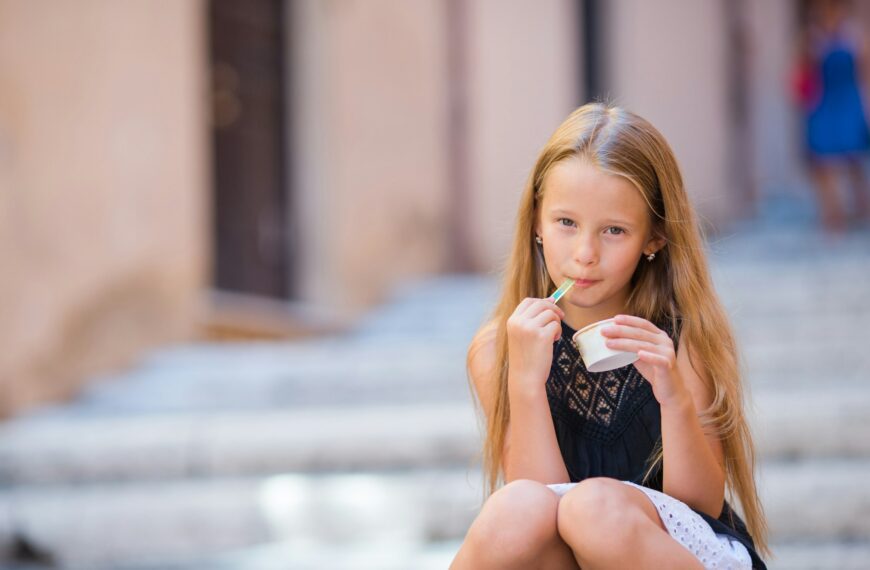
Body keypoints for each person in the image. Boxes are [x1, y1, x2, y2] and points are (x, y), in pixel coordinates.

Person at [450, 103, 769, 569]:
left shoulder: (680, 339)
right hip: (566, 550)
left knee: (593, 508)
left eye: (614, 231)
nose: (585, 254)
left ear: (655, 237)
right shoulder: (501, 347)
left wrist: (673, 394)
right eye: (566, 223)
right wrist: (525, 381)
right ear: (536, 222)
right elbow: (538, 503)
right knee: (515, 511)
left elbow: (701, 504)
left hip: (677, 548)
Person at [794, 0, 870, 232]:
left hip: (848, 102)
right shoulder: (812, 38)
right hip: (824, 103)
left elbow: (864, 71)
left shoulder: (854, 36)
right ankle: (831, 213)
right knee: (823, 162)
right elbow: (803, 71)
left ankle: (860, 210)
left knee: (853, 160)